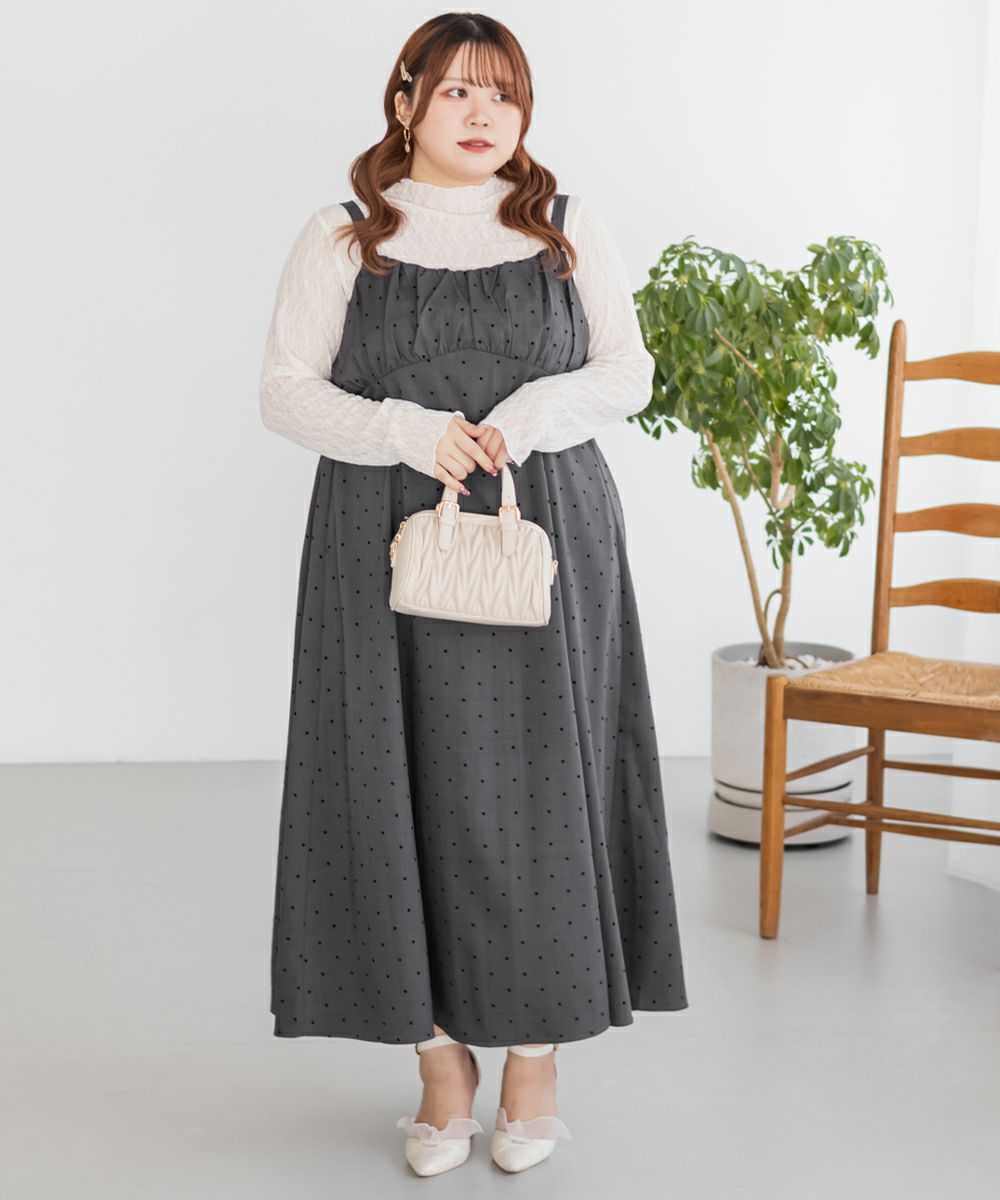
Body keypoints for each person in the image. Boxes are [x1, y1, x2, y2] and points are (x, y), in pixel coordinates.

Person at [259, 12, 688, 1177]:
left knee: (544, 793)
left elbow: (628, 371)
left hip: (547, 529)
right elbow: (285, 391)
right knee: (397, 788)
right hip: (379, 541)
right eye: (455, 91)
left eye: (502, 92)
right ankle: (439, 1066)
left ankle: (534, 1062)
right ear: (404, 104)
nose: (483, 113)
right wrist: (408, 431)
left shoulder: (564, 226)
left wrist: (530, 414)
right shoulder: (346, 235)